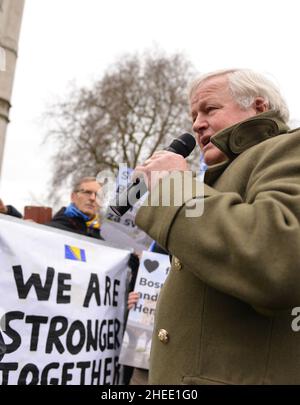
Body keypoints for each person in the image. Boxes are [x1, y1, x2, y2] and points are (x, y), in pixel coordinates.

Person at [133, 68, 300, 384]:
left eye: (209, 109)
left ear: (258, 108)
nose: (196, 124)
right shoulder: (214, 180)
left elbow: (278, 259)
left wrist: (174, 187)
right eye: (194, 114)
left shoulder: (288, 149)